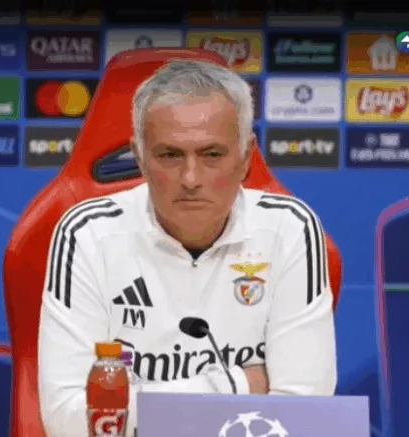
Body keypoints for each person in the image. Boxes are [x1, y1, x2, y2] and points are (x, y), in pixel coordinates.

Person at [38, 59, 337, 437]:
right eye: (170, 155)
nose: (191, 179)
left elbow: (305, 416)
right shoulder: (88, 233)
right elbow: (68, 420)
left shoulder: (289, 229)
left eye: (212, 155)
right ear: (140, 158)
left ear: (246, 157)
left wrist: (143, 409)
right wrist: (237, 385)